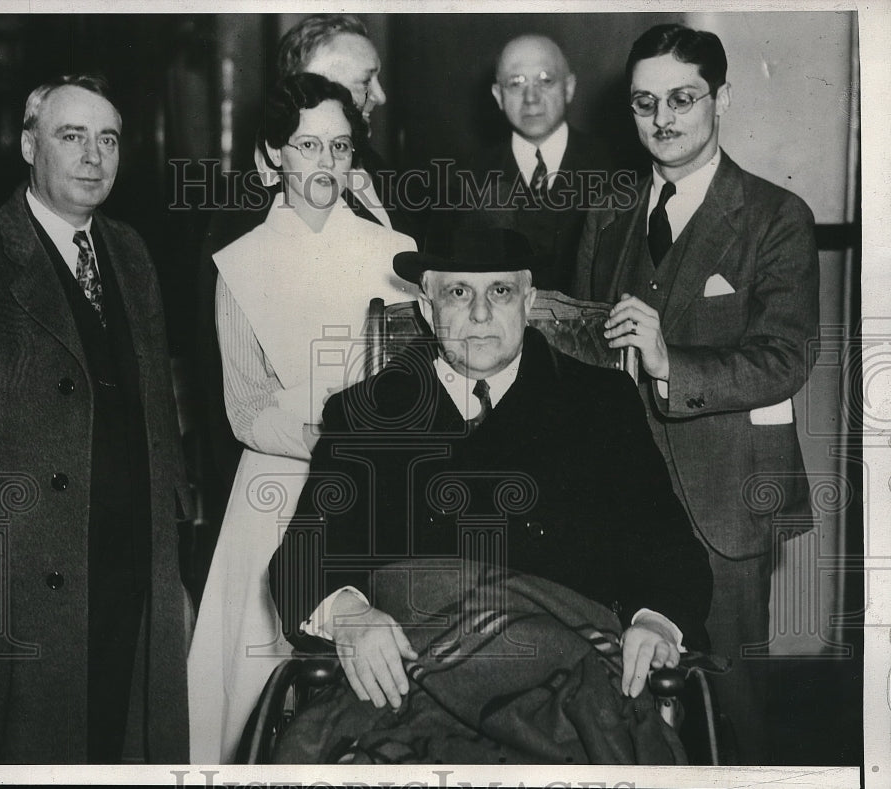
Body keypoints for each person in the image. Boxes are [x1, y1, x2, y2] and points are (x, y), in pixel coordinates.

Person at [268, 220, 713, 762]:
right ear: (427, 308)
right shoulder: (365, 413)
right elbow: (298, 559)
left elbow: (670, 547)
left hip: (565, 695)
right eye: (458, 292)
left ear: (528, 301)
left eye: (499, 291)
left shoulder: (601, 403)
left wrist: (653, 620)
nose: (480, 314)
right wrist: (350, 615)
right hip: (410, 691)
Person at [0, 75, 191, 763]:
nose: (93, 156)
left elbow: (157, 411)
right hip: (25, 578)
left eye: (108, 139)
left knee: (122, 741)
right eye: (72, 136)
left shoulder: (130, 252)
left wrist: (172, 551)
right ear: (29, 144)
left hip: (129, 562)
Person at [573, 23, 819, 764]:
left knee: (727, 702)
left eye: (682, 98)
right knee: (623, 696)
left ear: (722, 99)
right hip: (622, 493)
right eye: (645, 103)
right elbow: (587, 350)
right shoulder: (609, 212)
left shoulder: (776, 216)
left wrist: (667, 360)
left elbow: (787, 357)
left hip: (727, 497)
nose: (663, 119)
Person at [186, 72, 417, 764]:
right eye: (308, 145)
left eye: (341, 147)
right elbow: (246, 407)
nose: (326, 163)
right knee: (264, 696)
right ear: (271, 157)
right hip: (280, 492)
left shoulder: (393, 250)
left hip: (380, 489)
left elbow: (414, 381)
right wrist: (333, 440)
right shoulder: (243, 262)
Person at [189, 13, 410, 607]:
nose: (379, 96)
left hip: (383, 475)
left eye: (339, 147)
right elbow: (234, 401)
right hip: (279, 478)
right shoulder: (239, 233)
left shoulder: (383, 194)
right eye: (366, 81)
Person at [459, 34, 615, 292]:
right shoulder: (471, 175)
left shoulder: (613, 167)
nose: (531, 97)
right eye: (516, 83)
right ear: (498, 95)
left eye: (545, 80)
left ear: (569, 87)